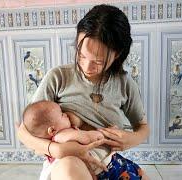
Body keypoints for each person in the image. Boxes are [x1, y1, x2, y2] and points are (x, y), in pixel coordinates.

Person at [16, 4, 150, 180]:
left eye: (98, 61)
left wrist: (131, 139)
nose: (87, 67)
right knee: (68, 166)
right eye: (81, 55)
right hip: (67, 163)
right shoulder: (58, 77)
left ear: (117, 54)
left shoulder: (125, 84)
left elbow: (143, 127)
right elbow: (23, 131)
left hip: (109, 163)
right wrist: (57, 149)